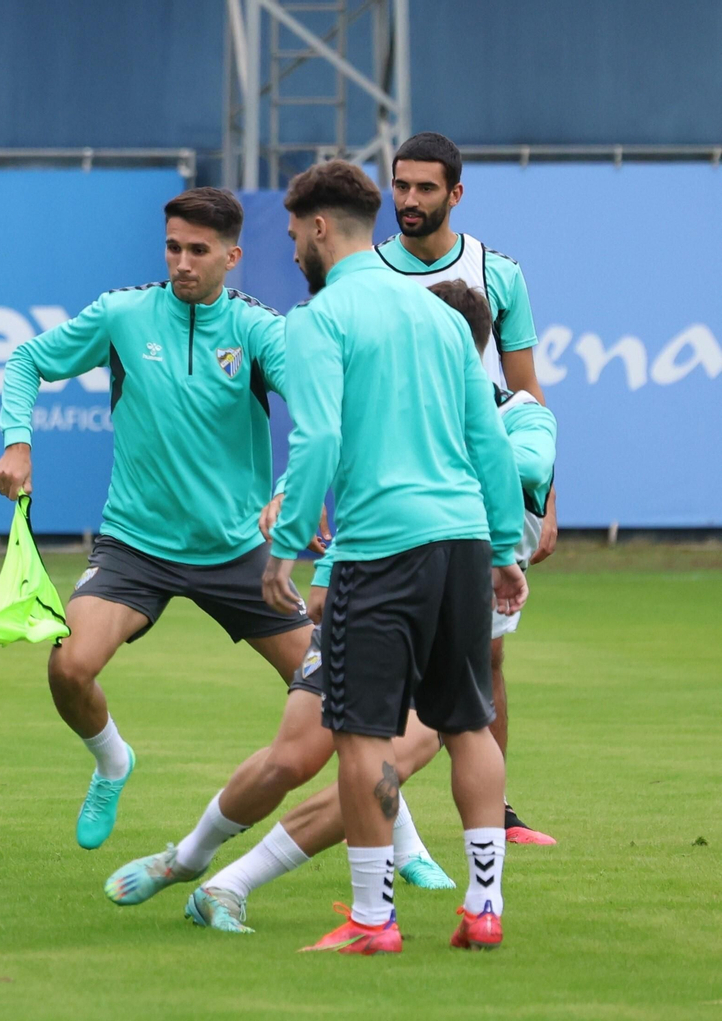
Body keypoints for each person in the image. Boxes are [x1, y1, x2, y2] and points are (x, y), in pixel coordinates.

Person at [189, 278, 557, 931]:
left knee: (383, 751)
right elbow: (318, 465)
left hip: (410, 577)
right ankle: (193, 861)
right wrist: (290, 503)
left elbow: (519, 462)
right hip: (380, 585)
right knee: (297, 754)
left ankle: (352, 907)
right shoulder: (387, 412)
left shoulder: (518, 410)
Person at [0, 187, 320, 860]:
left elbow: (321, 412)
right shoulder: (123, 314)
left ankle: (402, 842)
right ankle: (112, 762)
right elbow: (26, 360)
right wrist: (17, 440)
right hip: (137, 545)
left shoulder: (261, 330)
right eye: (173, 247)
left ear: (232, 255)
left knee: (333, 688)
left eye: (199, 251)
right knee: (68, 667)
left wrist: (295, 490)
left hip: (238, 549)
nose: (182, 262)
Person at [263, 159, 525, 955]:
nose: (292, 248)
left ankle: (373, 920)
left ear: (315, 227)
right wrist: (505, 546)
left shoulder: (316, 321)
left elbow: (318, 438)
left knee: (361, 736)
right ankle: (485, 907)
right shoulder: (443, 319)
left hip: (381, 549)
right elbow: (488, 441)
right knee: (468, 722)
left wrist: (285, 544)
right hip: (462, 542)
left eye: (290, 234)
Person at [378, 133, 556, 841]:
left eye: (425, 188)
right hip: (395, 487)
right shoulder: (368, 274)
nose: (409, 200)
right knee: (395, 658)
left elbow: (526, 394)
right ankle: (386, 809)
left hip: (478, 492)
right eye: (400, 185)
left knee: (487, 655)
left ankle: (494, 814)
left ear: (455, 194)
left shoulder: (498, 273)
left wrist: (540, 505)